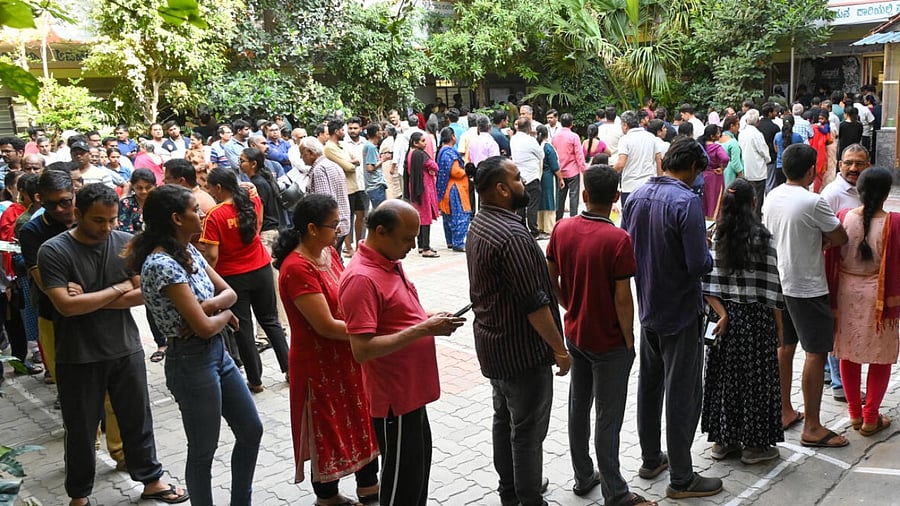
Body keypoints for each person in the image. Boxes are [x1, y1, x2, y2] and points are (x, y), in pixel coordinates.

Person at [38, 183, 188, 506]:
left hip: (125, 348)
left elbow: (144, 294)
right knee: (80, 429)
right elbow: (66, 306)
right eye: (98, 221)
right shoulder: (53, 251)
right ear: (78, 215)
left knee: (138, 419)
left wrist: (93, 298)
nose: (107, 228)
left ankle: (151, 479)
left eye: (112, 220)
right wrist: (118, 289)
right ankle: (79, 495)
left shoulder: (125, 244)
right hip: (78, 356)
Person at [126, 184, 261, 506]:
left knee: (251, 430)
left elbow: (229, 293)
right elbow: (202, 327)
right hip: (190, 362)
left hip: (217, 353)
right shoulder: (161, 264)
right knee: (203, 449)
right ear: (176, 218)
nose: (202, 214)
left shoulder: (187, 251)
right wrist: (222, 311)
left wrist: (213, 308)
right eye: (195, 210)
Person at [338, 200, 465, 505]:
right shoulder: (361, 278)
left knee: (416, 475)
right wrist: (424, 329)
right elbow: (362, 349)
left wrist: (429, 317)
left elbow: (397, 316)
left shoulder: (388, 261)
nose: (412, 245)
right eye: (407, 239)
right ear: (380, 232)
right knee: (400, 486)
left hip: (412, 394)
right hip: (393, 399)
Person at [546, 165, 656, 506]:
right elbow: (623, 298)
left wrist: (569, 305)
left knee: (579, 408)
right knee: (607, 419)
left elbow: (550, 277)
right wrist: (628, 340)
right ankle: (616, 492)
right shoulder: (618, 240)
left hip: (576, 334)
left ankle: (583, 476)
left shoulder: (562, 229)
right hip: (609, 341)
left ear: (585, 195)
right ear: (616, 200)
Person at [622, 137, 722, 499]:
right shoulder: (687, 202)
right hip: (680, 311)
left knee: (649, 387)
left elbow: (628, 247)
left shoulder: (636, 196)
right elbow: (698, 264)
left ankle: (651, 458)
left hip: (647, 305)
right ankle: (681, 477)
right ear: (695, 168)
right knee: (681, 393)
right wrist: (707, 249)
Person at [467, 156, 570, 506]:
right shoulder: (513, 235)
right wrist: (559, 349)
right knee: (526, 433)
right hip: (522, 353)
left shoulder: (480, 223)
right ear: (501, 188)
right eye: (517, 178)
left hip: (494, 346)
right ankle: (528, 498)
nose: (523, 183)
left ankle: (510, 491)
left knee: (504, 421)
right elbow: (535, 304)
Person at [272, 194, 380, 506]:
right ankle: (328, 499)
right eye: (333, 226)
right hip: (318, 367)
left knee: (361, 423)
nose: (338, 231)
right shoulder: (296, 268)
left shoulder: (328, 253)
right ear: (311, 228)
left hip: (347, 358)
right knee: (327, 431)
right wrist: (373, 332)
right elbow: (326, 326)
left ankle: (369, 490)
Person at [762, 143, 849, 448]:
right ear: (812, 170)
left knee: (785, 347)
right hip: (807, 287)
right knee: (815, 352)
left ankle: (784, 411)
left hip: (778, 282)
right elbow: (840, 236)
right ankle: (812, 426)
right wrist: (821, 242)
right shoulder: (813, 202)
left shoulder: (772, 196)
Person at [701, 178, 785, 465]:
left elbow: (707, 285)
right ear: (754, 203)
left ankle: (723, 442)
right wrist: (780, 328)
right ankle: (755, 447)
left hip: (724, 319)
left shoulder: (716, 235)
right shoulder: (762, 238)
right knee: (755, 382)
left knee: (724, 379)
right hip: (757, 319)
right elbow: (772, 288)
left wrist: (723, 314)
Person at [200, 168, 290, 392]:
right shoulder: (252, 202)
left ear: (218, 188)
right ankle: (290, 369)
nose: (208, 191)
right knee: (270, 320)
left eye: (209, 187)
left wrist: (207, 279)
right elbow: (255, 208)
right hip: (260, 268)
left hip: (232, 276)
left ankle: (256, 381)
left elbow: (212, 255)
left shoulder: (215, 215)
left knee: (243, 329)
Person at [825, 167, 897, 437]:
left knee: (848, 353)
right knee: (881, 357)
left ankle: (855, 413)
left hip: (845, 292)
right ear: (887, 194)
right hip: (879, 297)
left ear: (860, 191)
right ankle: (870, 418)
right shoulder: (894, 223)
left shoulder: (843, 217)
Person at [820, 143, 871, 401]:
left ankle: (831, 372)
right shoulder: (832, 194)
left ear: (868, 166)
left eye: (859, 163)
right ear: (839, 165)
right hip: (837, 269)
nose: (853, 168)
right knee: (840, 325)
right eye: (848, 163)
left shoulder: (865, 190)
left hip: (857, 270)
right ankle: (839, 384)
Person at [404, 132, 440, 257]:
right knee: (425, 217)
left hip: (414, 187)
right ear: (415, 143)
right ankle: (426, 248)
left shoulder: (410, 153)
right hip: (423, 188)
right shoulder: (420, 154)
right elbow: (434, 166)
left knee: (420, 217)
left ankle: (420, 246)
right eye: (423, 141)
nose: (425, 143)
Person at [436, 127, 471, 252]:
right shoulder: (449, 153)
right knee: (460, 215)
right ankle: (459, 243)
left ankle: (450, 241)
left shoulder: (442, 151)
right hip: (455, 189)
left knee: (449, 217)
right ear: (452, 137)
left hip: (446, 189)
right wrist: (466, 171)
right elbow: (455, 171)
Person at [551, 113, 585, 219]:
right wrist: (584, 169)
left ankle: (558, 219)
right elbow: (579, 155)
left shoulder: (555, 137)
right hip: (572, 170)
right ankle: (573, 218)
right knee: (573, 196)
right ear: (572, 124)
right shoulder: (574, 137)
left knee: (560, 196)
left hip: (559, 171)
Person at [700, 124, 729, 219]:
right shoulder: (716, 148)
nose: (719, 135)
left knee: (705, 199)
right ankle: (713, 220)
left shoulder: (701, 146)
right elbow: (725, 158)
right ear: (712, 136)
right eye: (718, 133)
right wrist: (722, 167)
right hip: (715, 176)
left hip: (703, 175)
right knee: (715, 199)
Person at [536, 125, 561, 235]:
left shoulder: (537, 146)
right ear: (547, 134)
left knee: (541, 200)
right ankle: (549, 227)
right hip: (548, 176)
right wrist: (561, 178)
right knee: (550, 200)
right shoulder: (548, 147)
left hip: (539, 175)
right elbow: (555, 166)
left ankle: (540, 225)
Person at [771, 115, 804, 194]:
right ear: (793, 124)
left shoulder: (777, 136)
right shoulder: (797, 137)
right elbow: (801, 151)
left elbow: (776, 149)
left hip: (780, 166)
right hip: (794, 167)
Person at [719, 115, 744, 188]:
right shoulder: (733, 142)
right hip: (730, 174)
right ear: (732, 126)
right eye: (737, 124)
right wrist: (741, 175)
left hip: (720, 172)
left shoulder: (718, 139)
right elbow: (735, 163)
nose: (738, 127)